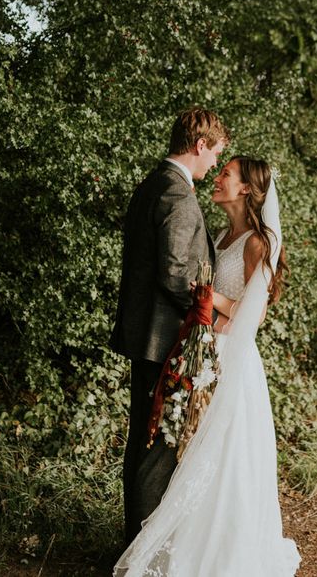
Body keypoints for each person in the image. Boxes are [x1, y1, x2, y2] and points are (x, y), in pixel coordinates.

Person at [114, 156, 300, 576]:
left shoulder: (258, 242)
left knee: (222, 454)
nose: (217, 179)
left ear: (247, 189)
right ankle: (178, 539)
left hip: (232, 357)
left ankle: (224, 551)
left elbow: (256, 312)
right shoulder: (220, 233)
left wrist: (209, 298)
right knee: (189, 451)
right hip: (203, 348)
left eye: (226, 175)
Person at [109, 106, 229, 545]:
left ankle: (137, 547)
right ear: (200, 145)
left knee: (147, 440)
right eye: (215, 152)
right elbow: (178, 272)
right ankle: (141, 552)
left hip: (148, 338)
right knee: (156, 450)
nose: (215, 162)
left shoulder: (154, 184)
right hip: (164, 341)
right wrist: (207, 317)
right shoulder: (177, 195)